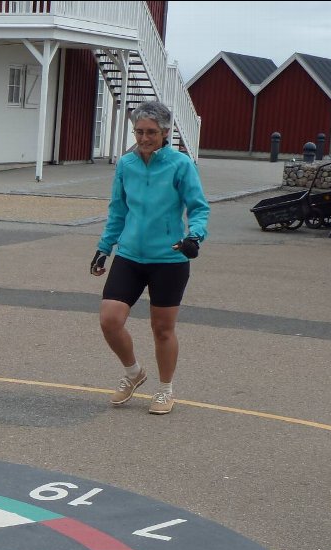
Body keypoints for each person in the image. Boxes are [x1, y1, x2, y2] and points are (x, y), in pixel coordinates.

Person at [90, 100, 210, 415]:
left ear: (165, 132)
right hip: (130, 255)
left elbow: (198, 207)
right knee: (109, 320)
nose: (144, 138)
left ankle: (165, 390)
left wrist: (194, 238)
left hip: (169, 259)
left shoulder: (180, 164)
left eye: (151, 132)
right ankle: (133, 373)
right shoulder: (126, 165)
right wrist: (105, 248)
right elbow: (118, 209)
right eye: (139, 131)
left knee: (162, 329)